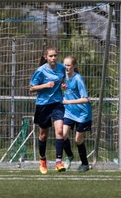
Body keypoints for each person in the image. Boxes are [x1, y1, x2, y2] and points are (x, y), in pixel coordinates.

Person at [29, 46, 66, 174]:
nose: (53, 58)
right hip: (43, 104)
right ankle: (43, 159)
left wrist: (63, 85)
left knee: (60, 130)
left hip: (57, 103)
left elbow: (63, 80)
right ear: (46, 57)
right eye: (51, 56)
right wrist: (45, 85)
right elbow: (32, 88)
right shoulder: (40, 71)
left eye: (55, 55)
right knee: (43, 135)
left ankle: (58, 161)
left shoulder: (61, 68)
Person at [62, 56, 92, 172]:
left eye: (68, 65)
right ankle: (69, 155)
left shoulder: (78, 78)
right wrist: (62, 89)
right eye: (65, 65)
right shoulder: (63, 77)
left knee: (78, 140)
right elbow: (66, 90)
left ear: (74, 66)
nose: (66, 67)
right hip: (69, 112)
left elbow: (85, 99)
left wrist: (68, 101)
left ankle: (85, 164)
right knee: (62, 134)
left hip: (82, 113)